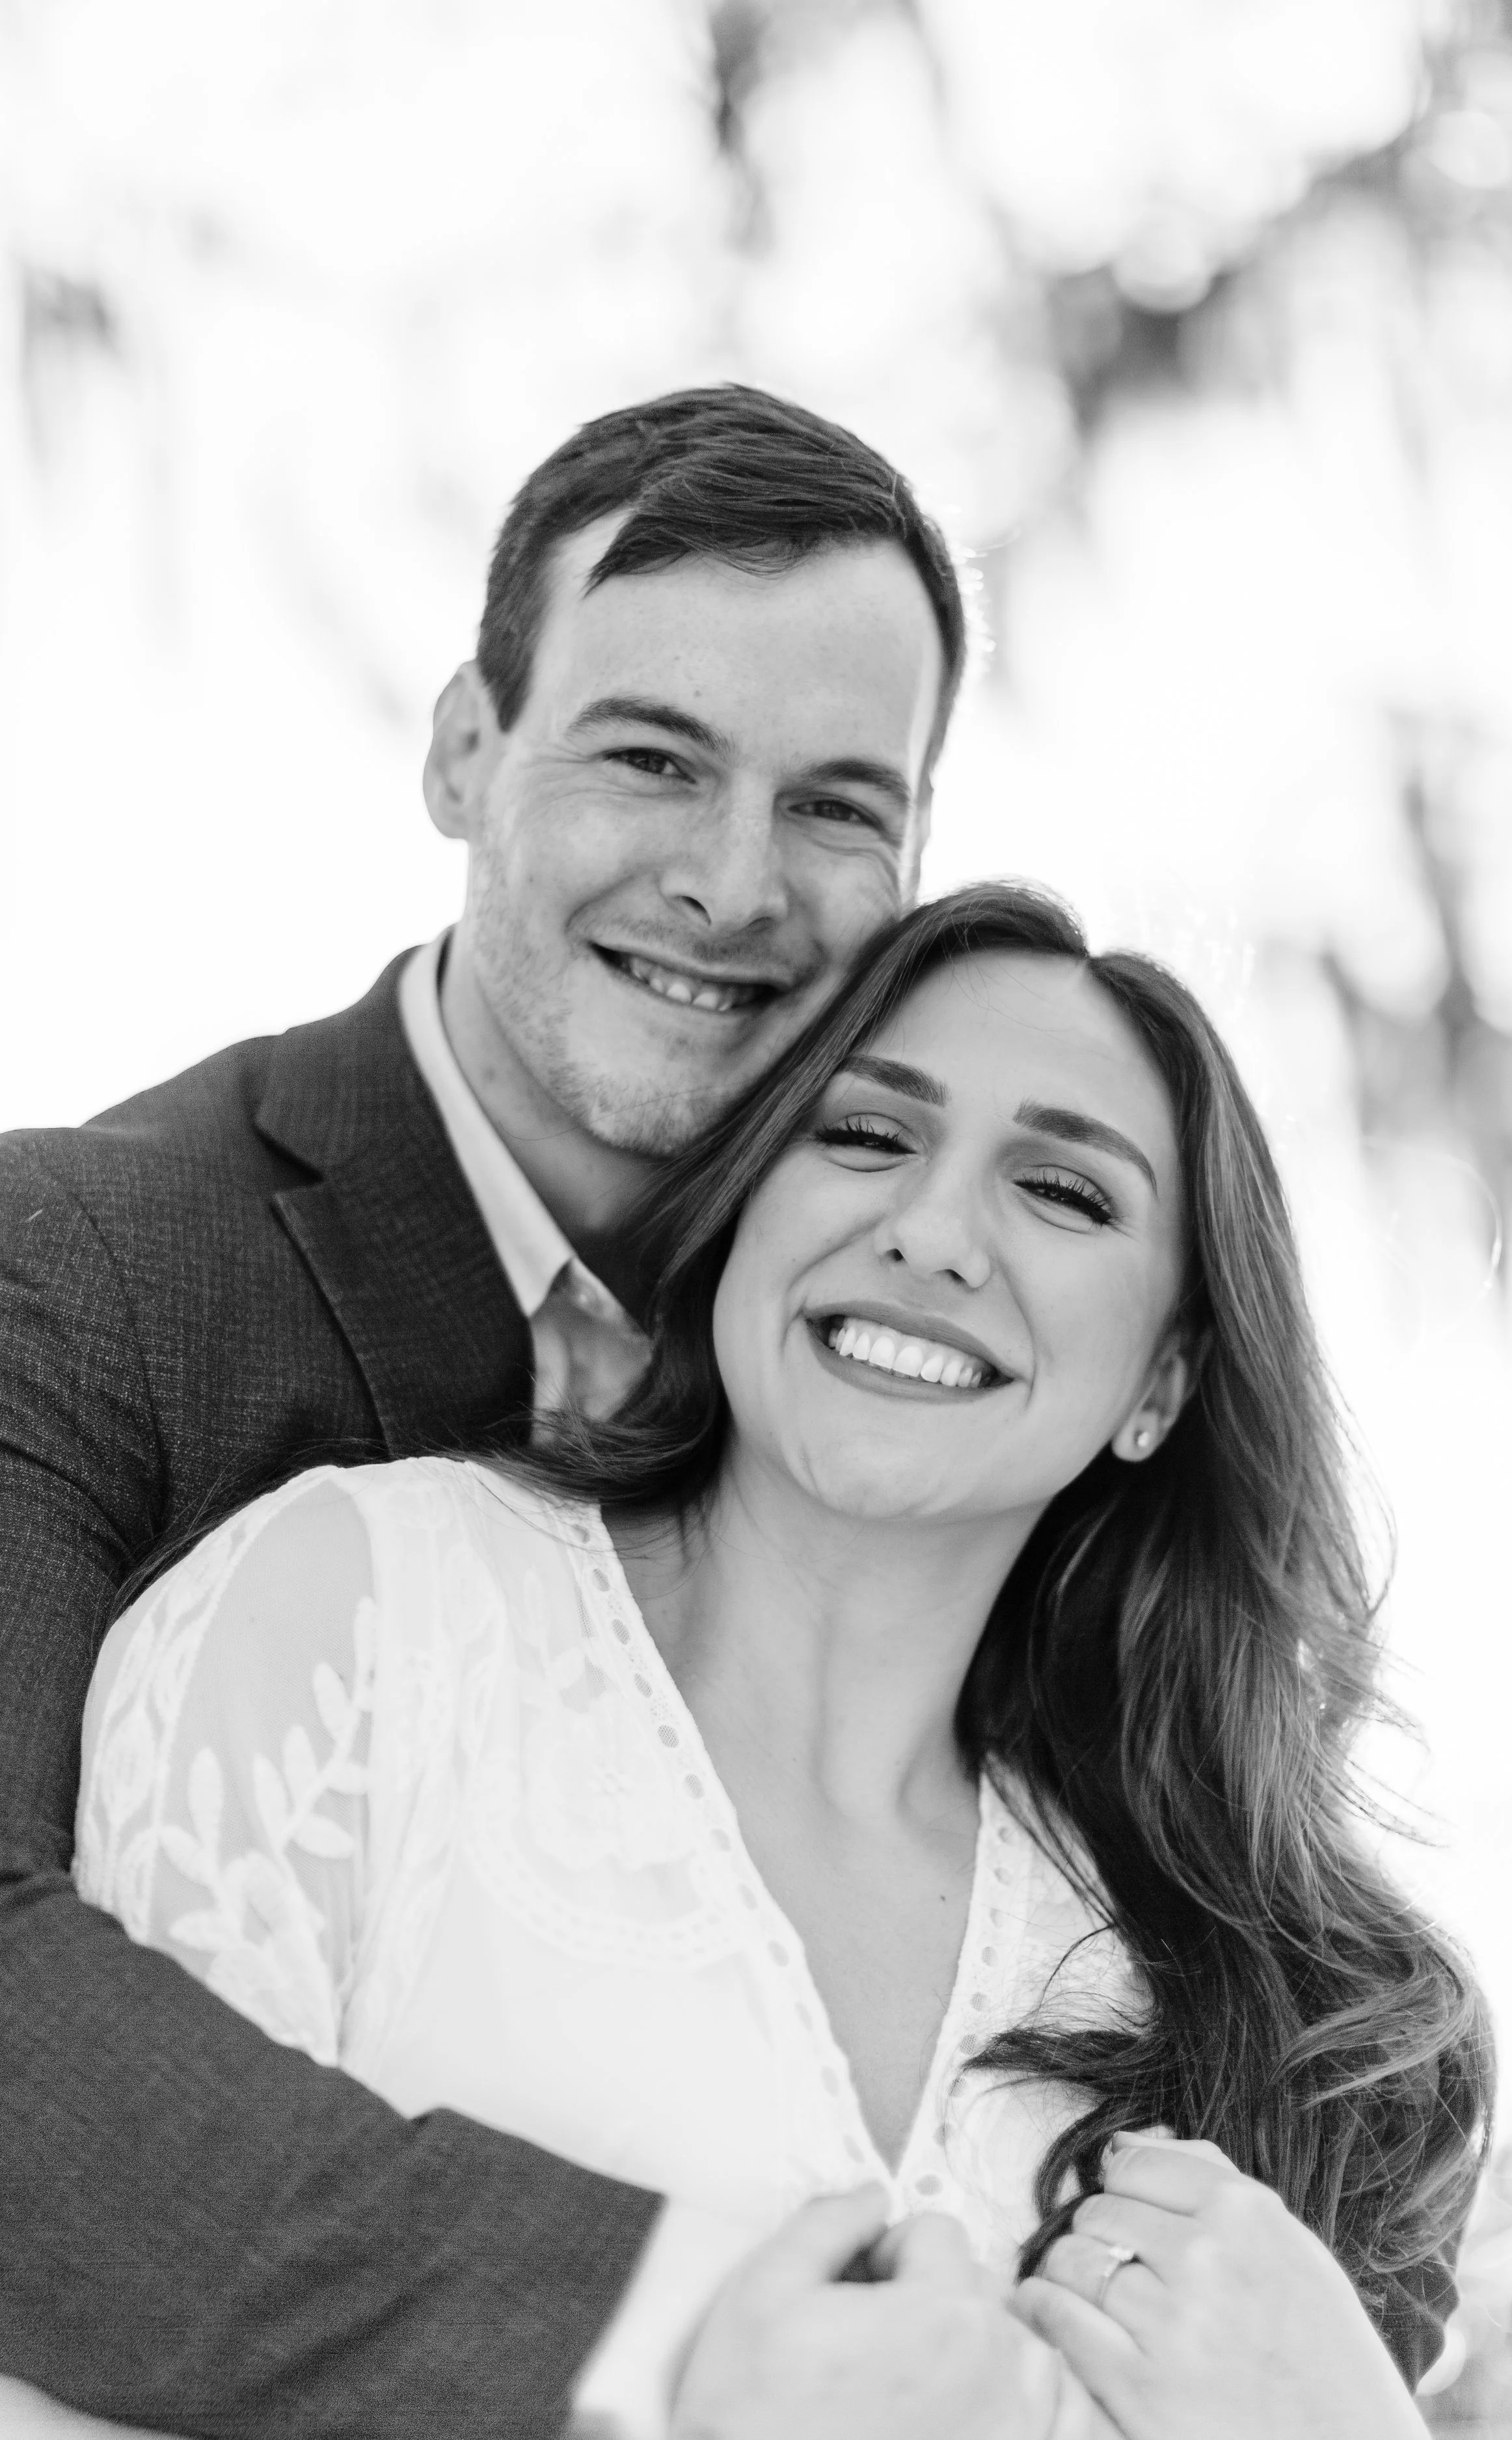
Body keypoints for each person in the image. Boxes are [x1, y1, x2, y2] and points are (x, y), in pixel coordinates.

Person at [74, 885, 1492, 2440]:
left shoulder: (1237, 2003)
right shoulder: (353, 1617)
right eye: (868, 1137)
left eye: (1065, 1193)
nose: (932, 1233)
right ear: (743, 1210)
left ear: (1158, 1385)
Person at [0, 384, 1004, 2439]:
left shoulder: (926, 1379)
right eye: (653, 759)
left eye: (835, 805)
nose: (734, 886)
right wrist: (666, 2330)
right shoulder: (76, 1268)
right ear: (466, 747)